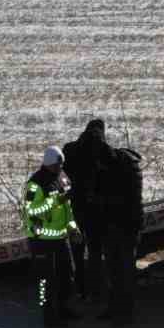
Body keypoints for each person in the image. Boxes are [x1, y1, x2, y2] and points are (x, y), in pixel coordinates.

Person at [23, 145, 79, 327]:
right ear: (48, 163)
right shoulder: (35, 184)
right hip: (41, 240)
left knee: (66, 275)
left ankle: (63, 308)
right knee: (45, 281)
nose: (59, 168)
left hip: (61, 237)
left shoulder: (62, 177)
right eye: (56, 165)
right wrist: (54, 201)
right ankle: (48, 316)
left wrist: (73, 227)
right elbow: (31, 210)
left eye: (61, 165)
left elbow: (67, 209)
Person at [95, 144, 144, 324]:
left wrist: (102, 198)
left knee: (122, 271)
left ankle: (124, 311)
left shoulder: (125, 172)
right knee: (118, 270)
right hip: (119, 226)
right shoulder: (123, 168)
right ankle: (118, 308)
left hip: (124, 226)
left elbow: (126, 201)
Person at [62, 118, 108, 303]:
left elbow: (64, 173)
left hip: (75, 207)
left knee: (77, 251)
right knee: (96, 251)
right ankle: (96, 291)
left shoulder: (70, 149)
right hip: (95, 209)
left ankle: (80, 289)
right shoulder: (102, 150)